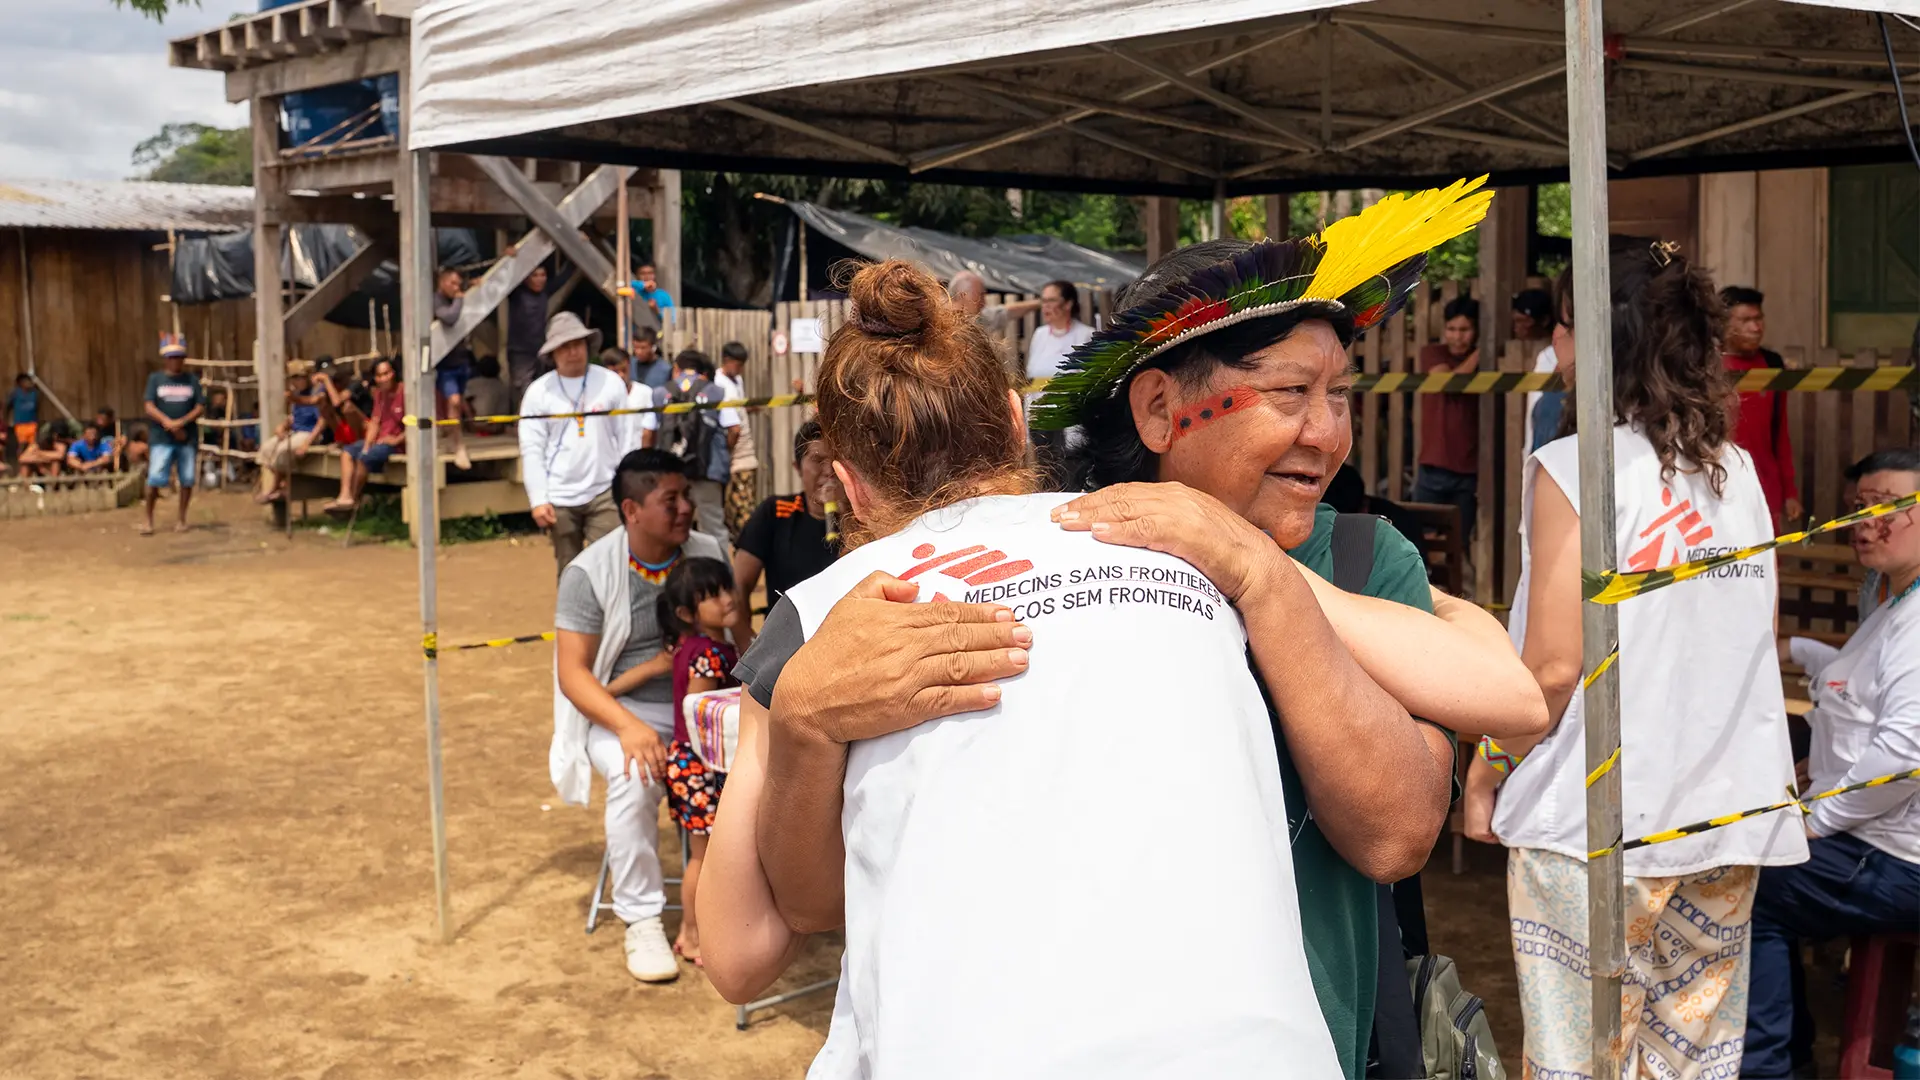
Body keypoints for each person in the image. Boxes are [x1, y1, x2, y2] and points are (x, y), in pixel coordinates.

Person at [718, 187, 1550, 1078]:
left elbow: (1418, 807)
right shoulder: (1054, 551)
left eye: (1341, 393)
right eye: (1291, 393)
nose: (1329, 432)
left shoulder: (1358, 555)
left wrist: (1258, 574)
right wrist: (806, 711)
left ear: (848, 484)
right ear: (1155, 410)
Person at [708, 259, 1346, 1078]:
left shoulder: (830, 617)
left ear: (846, 485)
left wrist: (796, 718)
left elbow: (742, 948)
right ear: (1016, 421)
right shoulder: (1187, 546)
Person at [1464, 240, 1807, 1080]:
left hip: (1596, 824)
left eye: (1563, 325)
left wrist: (1488, 762)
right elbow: (1755, 634)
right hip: (1725, 817)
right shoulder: (1736, 472)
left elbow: (1550, 667)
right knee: (1689, 1063)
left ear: (1597, 336)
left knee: (1579, 1062)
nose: (1557, 347)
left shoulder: (1574, 468)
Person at [1743, 447, 1920, 1079]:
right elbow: (1855, 687)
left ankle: (1768, 1067)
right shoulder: (1897, 602)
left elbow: (1904, 756)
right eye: (1858, 508)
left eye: (1888, 506)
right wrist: (1790, 648)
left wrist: (1815, 820)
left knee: (1748, 886)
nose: (1867, 523)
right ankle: (1782, 1053)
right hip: (1875, 835)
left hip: (1898, 858)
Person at [551, 448, 727, 984]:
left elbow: (737, 634)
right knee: (634, 774)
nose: (684, 509)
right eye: (668, 500)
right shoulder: (588, 571)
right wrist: (629, 728)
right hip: (621, 711)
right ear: (630, 510)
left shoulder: (707, 549)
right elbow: (574, 673)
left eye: (686, 497)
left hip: (704, 707)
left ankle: (738, 905)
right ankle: (642, 918)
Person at [656, 555, 741, 965]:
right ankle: (691, 933)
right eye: (713, 596)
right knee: (702, 858)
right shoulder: (708, 655)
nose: (727, 598)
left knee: (702, 856)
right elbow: (699, 714)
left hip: (692, 765)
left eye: (727, 588)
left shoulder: (695, 646)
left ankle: (696, 930)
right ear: (688, 613)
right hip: (699, 767)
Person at [519, 312, 629, 576]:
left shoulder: (611, 383)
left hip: (605, 490)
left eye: (578, 344)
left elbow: (626, 439)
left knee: (614, 566)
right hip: (559, 496)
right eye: (565, 347)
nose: (573, 352)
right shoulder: (538, 393)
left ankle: (614, 618)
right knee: (571, 572)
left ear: (588, 347)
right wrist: (538, 499)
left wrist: (628, 486)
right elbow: (532, 449)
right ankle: (574, 618)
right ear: (553, 354)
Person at [729, 420, 842, 651]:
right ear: (797, 467)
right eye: (818, 460)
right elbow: (739, 584)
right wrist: (749, 648)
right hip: (786, 648)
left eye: (836, 460)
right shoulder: (776, 512)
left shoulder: (864, 519)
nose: (829, 470)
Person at [640, 349, 740, 557]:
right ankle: (722, 578)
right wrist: (725, 454)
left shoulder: (659, 393)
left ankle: (674, 576)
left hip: (669, 473)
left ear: (676, 368)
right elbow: (735, 429)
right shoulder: (718, 392)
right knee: (713, 526)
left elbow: (648, 433)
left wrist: (648, 466)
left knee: (668, 524)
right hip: (707, 470)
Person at [1721, 286, 1801, 527]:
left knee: (1768, 559)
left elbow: (1780, 433)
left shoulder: (1772, 364)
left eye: (1758, 319)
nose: (1756, 328)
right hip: (1720, 484)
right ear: (1723, 323)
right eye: (1746, 320)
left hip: (1766, 485)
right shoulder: (1705, 364)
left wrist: (1789, 492)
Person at [1410, 296, 1481, 544]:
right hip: (1434, 464)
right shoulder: (1433, 353)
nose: (1457, 336)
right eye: (1452, 329)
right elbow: (1447, 383)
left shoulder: (1485, 364)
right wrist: (1481, 352)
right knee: (1425, 542)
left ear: (1476, 331)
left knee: (1458, 543)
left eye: (1465, 330)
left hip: (1470, 469)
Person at [1023, 279, 1094, 480]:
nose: (1045, 306)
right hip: (1042, 415)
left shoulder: (1085, 335)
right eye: (1043, 301)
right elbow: (1033, 375)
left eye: (1051, 300)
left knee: (1071, 471)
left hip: (1070, 417)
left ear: (1068, 304)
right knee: (1046, 473)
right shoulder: (1040, 334)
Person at [143, 335, 206, 535]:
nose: (175, 360)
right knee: (154, 479)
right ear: (165, 359)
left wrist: (182, 422)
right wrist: (168, 423)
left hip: (187, 438)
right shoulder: (155, 379)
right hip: (161, 438)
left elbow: (200, 406)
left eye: (179, 357)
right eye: (172, 357)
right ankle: (148, 520)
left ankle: (181, 519)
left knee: (186, 479)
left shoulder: (192, 380)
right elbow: (149, 405)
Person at [324, 356, 404, 513]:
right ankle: (344, 495)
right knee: (348, 452)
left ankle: (353, 499)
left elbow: (416, 424)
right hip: (380, 440)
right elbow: (375, 421)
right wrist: (367, 444)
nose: (383, 378)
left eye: (386, 374)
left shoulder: (405, 391)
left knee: (363, 459)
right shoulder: (380, 394)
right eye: (380, 375)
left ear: (394, 373)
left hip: (397, 444)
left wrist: (396, 440)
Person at [255, 360, 326, 504]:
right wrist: (283, 426)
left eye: (299, 377)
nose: (296, 381)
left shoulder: (317, 393)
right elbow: (295, 417)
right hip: (296, 431)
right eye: (294, 377)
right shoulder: (296, 394)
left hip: (310, 433)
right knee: (267, 449)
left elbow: (322, 421)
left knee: (282, 451)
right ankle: (282, 484)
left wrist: (307, 443)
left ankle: (276, 487)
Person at [948, 269, 1040, 378]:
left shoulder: (978, 318)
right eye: (980, 296)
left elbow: (1005, 312)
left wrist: (1040, 303)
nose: (984, 303)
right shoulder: (941, 321)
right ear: (963, 295)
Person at [713, 341, 760, 544]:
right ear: (727, 361)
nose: (740, 369)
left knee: (740, 505)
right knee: (742, 508)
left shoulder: (736, 380)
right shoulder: (720, 386)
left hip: (745, 455)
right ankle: (745, 548)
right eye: (737, 364)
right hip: (736, 459)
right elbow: (734, 429)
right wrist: (729, 452)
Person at [432, 266, 474, 471]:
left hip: (461, 361)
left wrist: (474, 286)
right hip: (445, 364)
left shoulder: (457, 294)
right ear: (442, 282)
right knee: (454, 401)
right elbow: (448, 318)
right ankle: (459, 446)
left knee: (456, 405)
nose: (457, 288)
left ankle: (451, 437)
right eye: (453, 284)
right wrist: (459, 298)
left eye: (459, 284)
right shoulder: (436, 300)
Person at [506, 263, 554, 403]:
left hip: (540, 351)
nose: (539, 279)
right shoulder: (517, 293)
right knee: (525, 391)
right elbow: (506, 278)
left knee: (542, 389)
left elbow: (565, 275)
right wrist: (510, 257)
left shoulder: (545, 292)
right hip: (520, 352)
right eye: (535, 275)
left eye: (543, 275)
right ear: (526, 278)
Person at [463, 354, 511, 436]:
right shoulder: (503, 386)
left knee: (461, 400)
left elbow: (463, 402)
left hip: (478, 425)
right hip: (498, 426)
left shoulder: (472, 384)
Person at [631, 262, 675, 328]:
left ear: (654, 275)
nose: (647, 277)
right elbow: (623, 285)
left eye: (650, 273)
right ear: (637, 275)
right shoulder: (633, 291)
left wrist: (657, 310)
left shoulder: (664, 296)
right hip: (634, 334)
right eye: (643, 273)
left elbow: (672, 320)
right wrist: (642, 285)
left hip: (657, 334)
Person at [8, 373, 39, 457]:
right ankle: (21, 461)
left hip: (32, 423)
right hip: (20, 423)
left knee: (33, 446)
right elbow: (7, 406)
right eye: (26, 381)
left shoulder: (34, 393)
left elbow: (37, 408)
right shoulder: (15, 393)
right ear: (20, 383)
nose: (28, 383)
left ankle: (32, 465)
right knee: (22, 444)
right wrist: (7, 420)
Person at [631, 326, 670, 390]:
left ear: (653, 346)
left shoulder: (665, 370)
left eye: (643, 348)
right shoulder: (629, 366)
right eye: (636, 347)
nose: (639, 352)